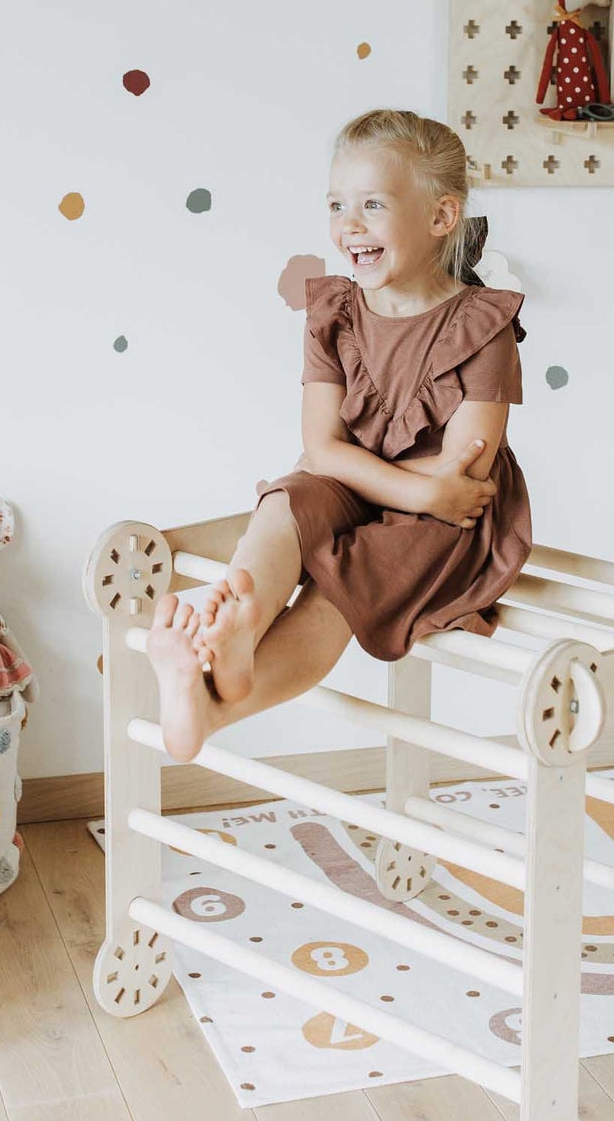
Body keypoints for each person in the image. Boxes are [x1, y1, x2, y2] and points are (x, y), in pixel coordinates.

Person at [147, 107, 531, 761]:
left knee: (341, 588)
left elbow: (459, 476)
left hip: (444, 525)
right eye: (336, 205)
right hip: (375, 483)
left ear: (441, 218)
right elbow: (322, 449)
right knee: (290, 500)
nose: (347, 225)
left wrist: (421, 498)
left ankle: (211, 706)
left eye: (372, 204)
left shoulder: (480, 326)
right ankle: (236, 627)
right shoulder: (333, 312)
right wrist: (413, 489)